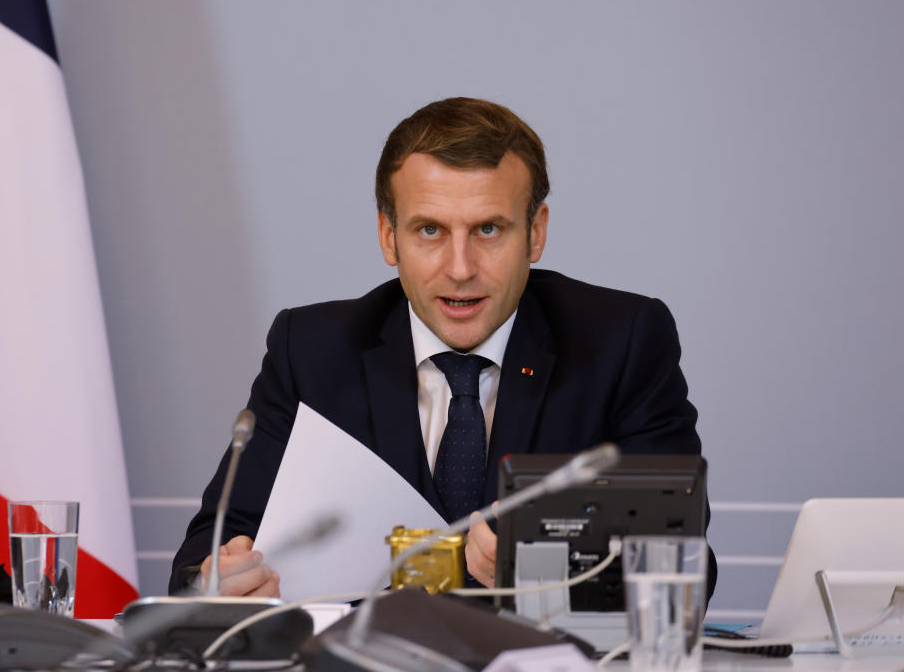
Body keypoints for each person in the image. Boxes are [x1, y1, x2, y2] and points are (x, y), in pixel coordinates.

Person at [169, 97, 713, 598]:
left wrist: (553, 568)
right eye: (429, 230)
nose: (459, 269)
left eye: (489, 230)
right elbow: (201, 562)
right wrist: (220, 586)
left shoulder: (623, 341)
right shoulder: (310, 350)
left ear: (536, 232)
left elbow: (687, 565)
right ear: (388, 236)